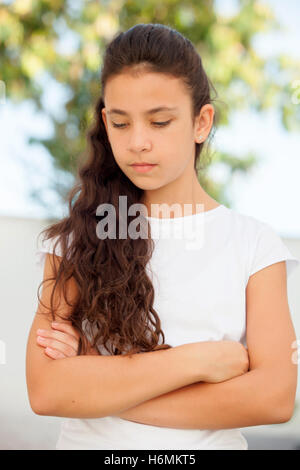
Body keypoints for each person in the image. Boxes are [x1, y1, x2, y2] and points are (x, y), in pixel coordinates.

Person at [26, 23, 300, 450]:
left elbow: (274, 398)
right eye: (120, 123)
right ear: (105, 122)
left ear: (201, 122)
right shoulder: (78, 238)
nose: (137, 142)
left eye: (159, 122)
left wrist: (97, 386)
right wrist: (198, 361)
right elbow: (45, 391)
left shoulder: (255, 245)